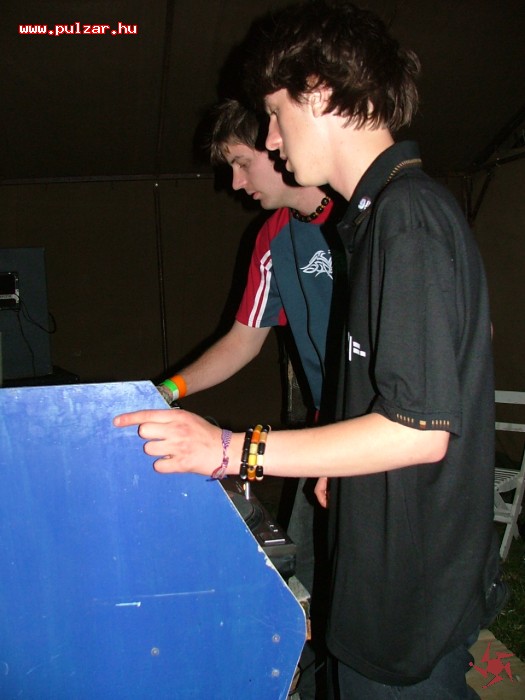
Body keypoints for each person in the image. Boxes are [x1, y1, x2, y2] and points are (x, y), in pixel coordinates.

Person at [115, 3, 501, 698]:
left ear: (318, 91)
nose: (270, 139)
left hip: (409, 592)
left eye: (274, 113)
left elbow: (419, 431)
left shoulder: (407, 218)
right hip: (381, 563)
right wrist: (343, 470)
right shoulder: (378, 217)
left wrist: (231, 451)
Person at [156, 98, 337, 697]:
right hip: (322, 440)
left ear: (278, 143)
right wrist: (167, 390)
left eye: (240, 162)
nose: (234, 183)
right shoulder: (272, 237)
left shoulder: (369, 215)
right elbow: (242, 340)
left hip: (386, 438)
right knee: (310, 582)